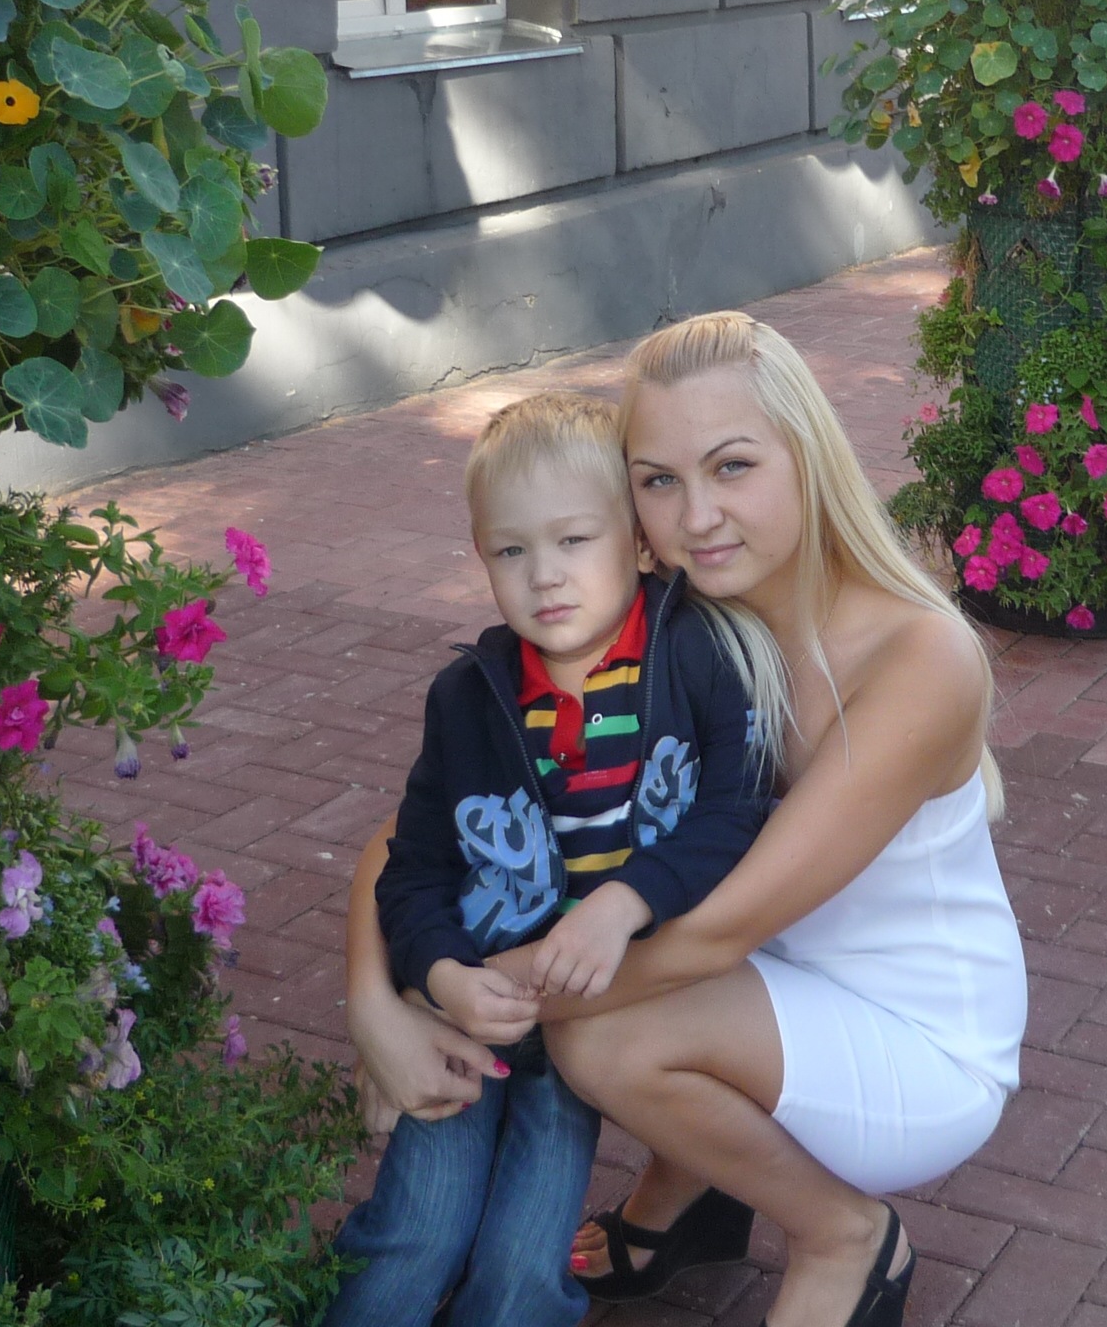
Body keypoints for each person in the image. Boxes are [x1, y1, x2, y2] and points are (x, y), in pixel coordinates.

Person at [347, 314, 1025, 1327]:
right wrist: (378, 1005)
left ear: (809, 456)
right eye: (658, 480)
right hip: (770, 989)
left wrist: (452, 1005)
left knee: (603, 1034)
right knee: (607, 967)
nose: (696, 516)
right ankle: (688, 1192)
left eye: (733, 466)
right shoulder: (677, 621)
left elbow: (715, 934)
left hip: (917, 1039)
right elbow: (433, 831)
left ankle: (842, 1234)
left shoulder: (920, 658)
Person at [321, 391, 770, 1327]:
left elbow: (735, 812)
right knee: (415, 1234)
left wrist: (626, 901)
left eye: (574, 540)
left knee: (525, 1264)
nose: (545, 577)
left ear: (637, 542)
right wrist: (438, 975)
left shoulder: (692, 659)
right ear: (480, 554)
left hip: (585, 1018)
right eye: (511, 551)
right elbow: (413, 867)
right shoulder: (469, 698)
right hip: (471, 1014)